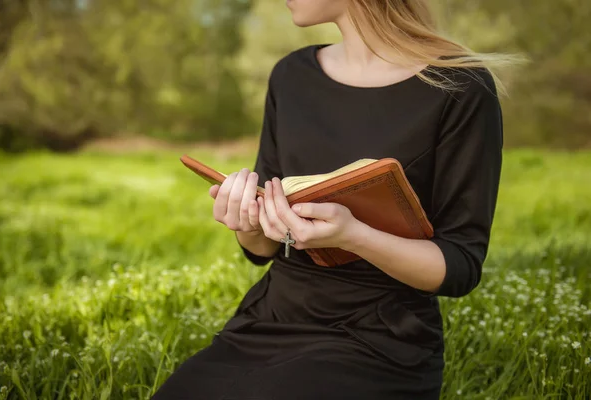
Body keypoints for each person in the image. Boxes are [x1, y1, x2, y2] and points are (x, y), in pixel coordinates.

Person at [153, 0, 515, 398]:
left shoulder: (460, 87)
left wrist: (353, 236)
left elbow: (460, 265)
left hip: (380, 339)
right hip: (273, 320)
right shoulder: (291, 76)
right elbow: (265, 248)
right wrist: (248, 223)